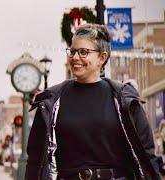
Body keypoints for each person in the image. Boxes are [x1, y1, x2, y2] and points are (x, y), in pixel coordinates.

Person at [25, 23, 161, 180]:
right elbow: (35, 159)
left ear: (102, 58)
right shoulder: (52, 101)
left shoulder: (124, 99)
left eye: (83, 52)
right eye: (73, 51)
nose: (75, 57)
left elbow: (146, 154)